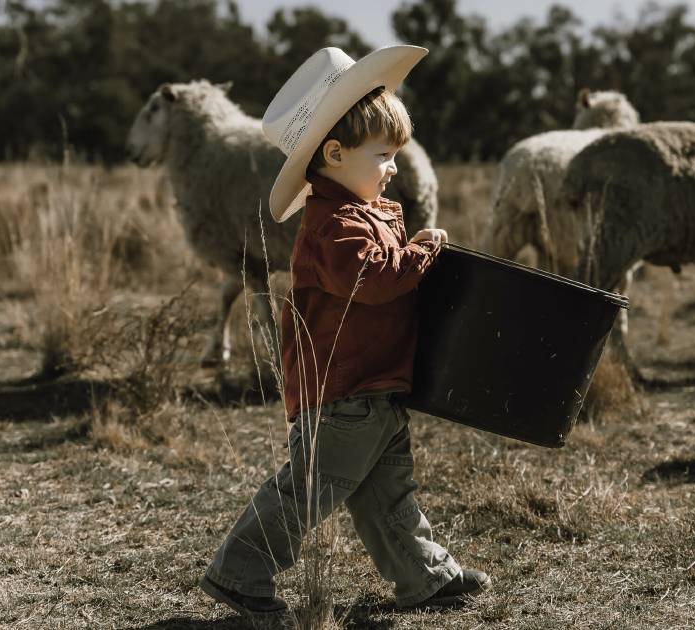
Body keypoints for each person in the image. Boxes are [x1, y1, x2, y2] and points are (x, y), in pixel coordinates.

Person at [199, 45, 491, 624]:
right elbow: (376, 281)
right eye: (383, 155)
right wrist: (421, 254)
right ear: (334, 153)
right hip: (342, 392)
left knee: (388, 492)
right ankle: (239, 572)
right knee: (308, 489)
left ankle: (424, 577)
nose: (392, 168)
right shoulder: (331, 224)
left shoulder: (368, 211)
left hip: (375, 384)